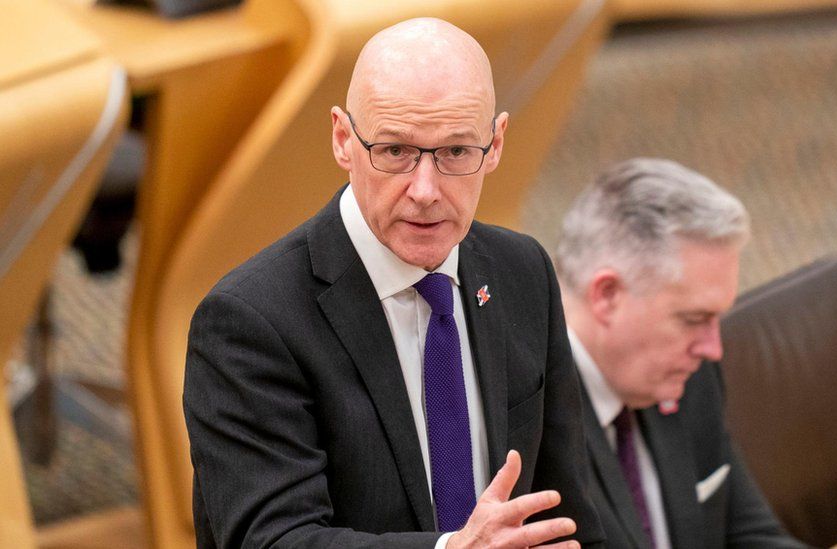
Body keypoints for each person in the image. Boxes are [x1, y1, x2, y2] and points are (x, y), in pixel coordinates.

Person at [183, 17, 603, 549]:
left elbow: (566, 515)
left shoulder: (522, 273)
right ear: (343, 140)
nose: (424, 190)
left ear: (494, 145)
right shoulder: (251, 321)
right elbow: (275, 540)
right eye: (395, 151)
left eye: (455, 152)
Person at [556, 158, 805, 548]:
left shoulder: (684, 374)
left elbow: (749, 536)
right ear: (607, 296)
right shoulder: (524, 423)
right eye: (693, 318)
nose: (713, 348)